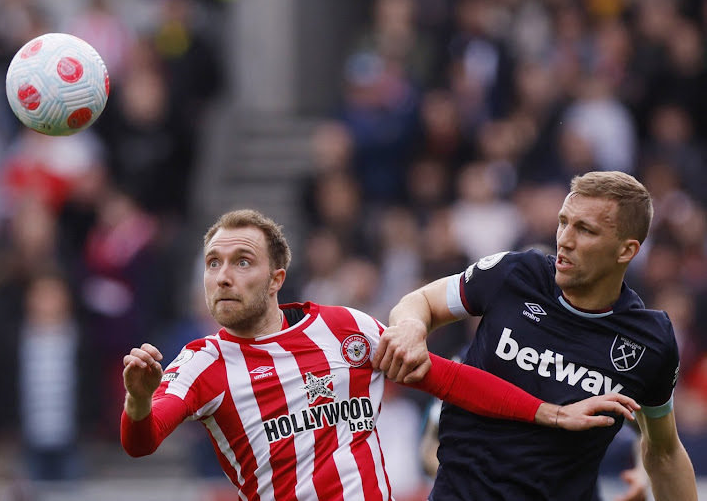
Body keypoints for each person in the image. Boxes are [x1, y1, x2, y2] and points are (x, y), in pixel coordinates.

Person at [121, 209, 640, 500]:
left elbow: (452, 381)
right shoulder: (201, 362)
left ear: (277, 278)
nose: (223, 275)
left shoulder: (346, 330)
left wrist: (551, 412)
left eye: (241, 261)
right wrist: (139, 403)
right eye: (213, 263)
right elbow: (141, 443)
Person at [374, 171, 698, 500]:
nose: (565, 240)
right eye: (563, 222)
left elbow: (664, 453)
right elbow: (420, 302)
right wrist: (413, 328)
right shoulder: (516, 274)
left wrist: (644, 476)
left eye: (585, 229)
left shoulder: (650, 341)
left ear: (626, 251)